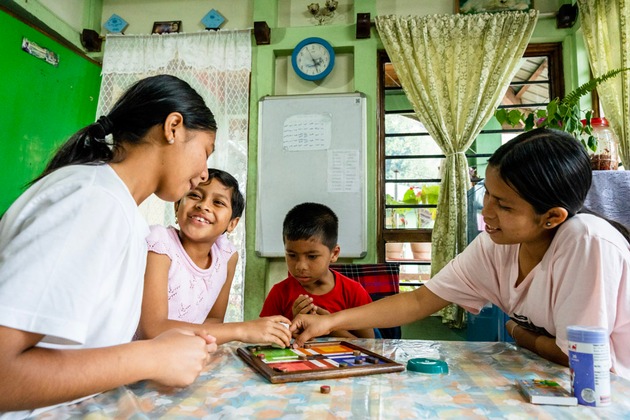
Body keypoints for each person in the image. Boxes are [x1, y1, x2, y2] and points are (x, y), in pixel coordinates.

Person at [291, 128, 630, 379]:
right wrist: (329, 322)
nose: (487, 212)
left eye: (504, 204)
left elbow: (577, 357)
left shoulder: (587, 243)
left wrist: (517, 332)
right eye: (488, 194)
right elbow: (419, 301)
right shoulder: (496, 244)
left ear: (552, 217)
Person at [0, 74, 219, 416]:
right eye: (206, 151)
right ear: (173, 127)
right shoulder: (93, 202)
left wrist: (164, 350)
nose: (205, 173)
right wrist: (152, 357)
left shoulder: (119, 210)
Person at [137, 168, 292, 347]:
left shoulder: (226, 257)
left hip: (183, 355)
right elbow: (153, 329)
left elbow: (214, 319)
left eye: (218, 202)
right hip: (139, 359)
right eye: (195, 195)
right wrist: (241, 330)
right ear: (177, 206)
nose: (203, 205)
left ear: (232, 223)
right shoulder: (161, 244)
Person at [260, 202, 374, 339]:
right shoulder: (280, 293)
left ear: (334, 254)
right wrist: (292, 325)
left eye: (312, 256)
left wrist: (328, 323)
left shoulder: (353, 292)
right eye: (292, 255)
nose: (300, 266)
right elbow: (264, 340)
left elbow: (369, 344)